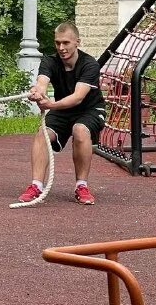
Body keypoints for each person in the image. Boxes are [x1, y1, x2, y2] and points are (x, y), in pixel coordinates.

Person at [17, 21, 106, 205]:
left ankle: (81, 186)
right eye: (58, 43)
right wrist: (38, 92)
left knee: (80, 130)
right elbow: (42, 82)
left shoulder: (90, 64)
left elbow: (78, 97)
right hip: (62, 110)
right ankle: (36, 185)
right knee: (42, 134)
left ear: (77, 42)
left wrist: (51, 104)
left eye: (66, 43)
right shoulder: (50, 61)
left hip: (89, 110)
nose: (61, 47)